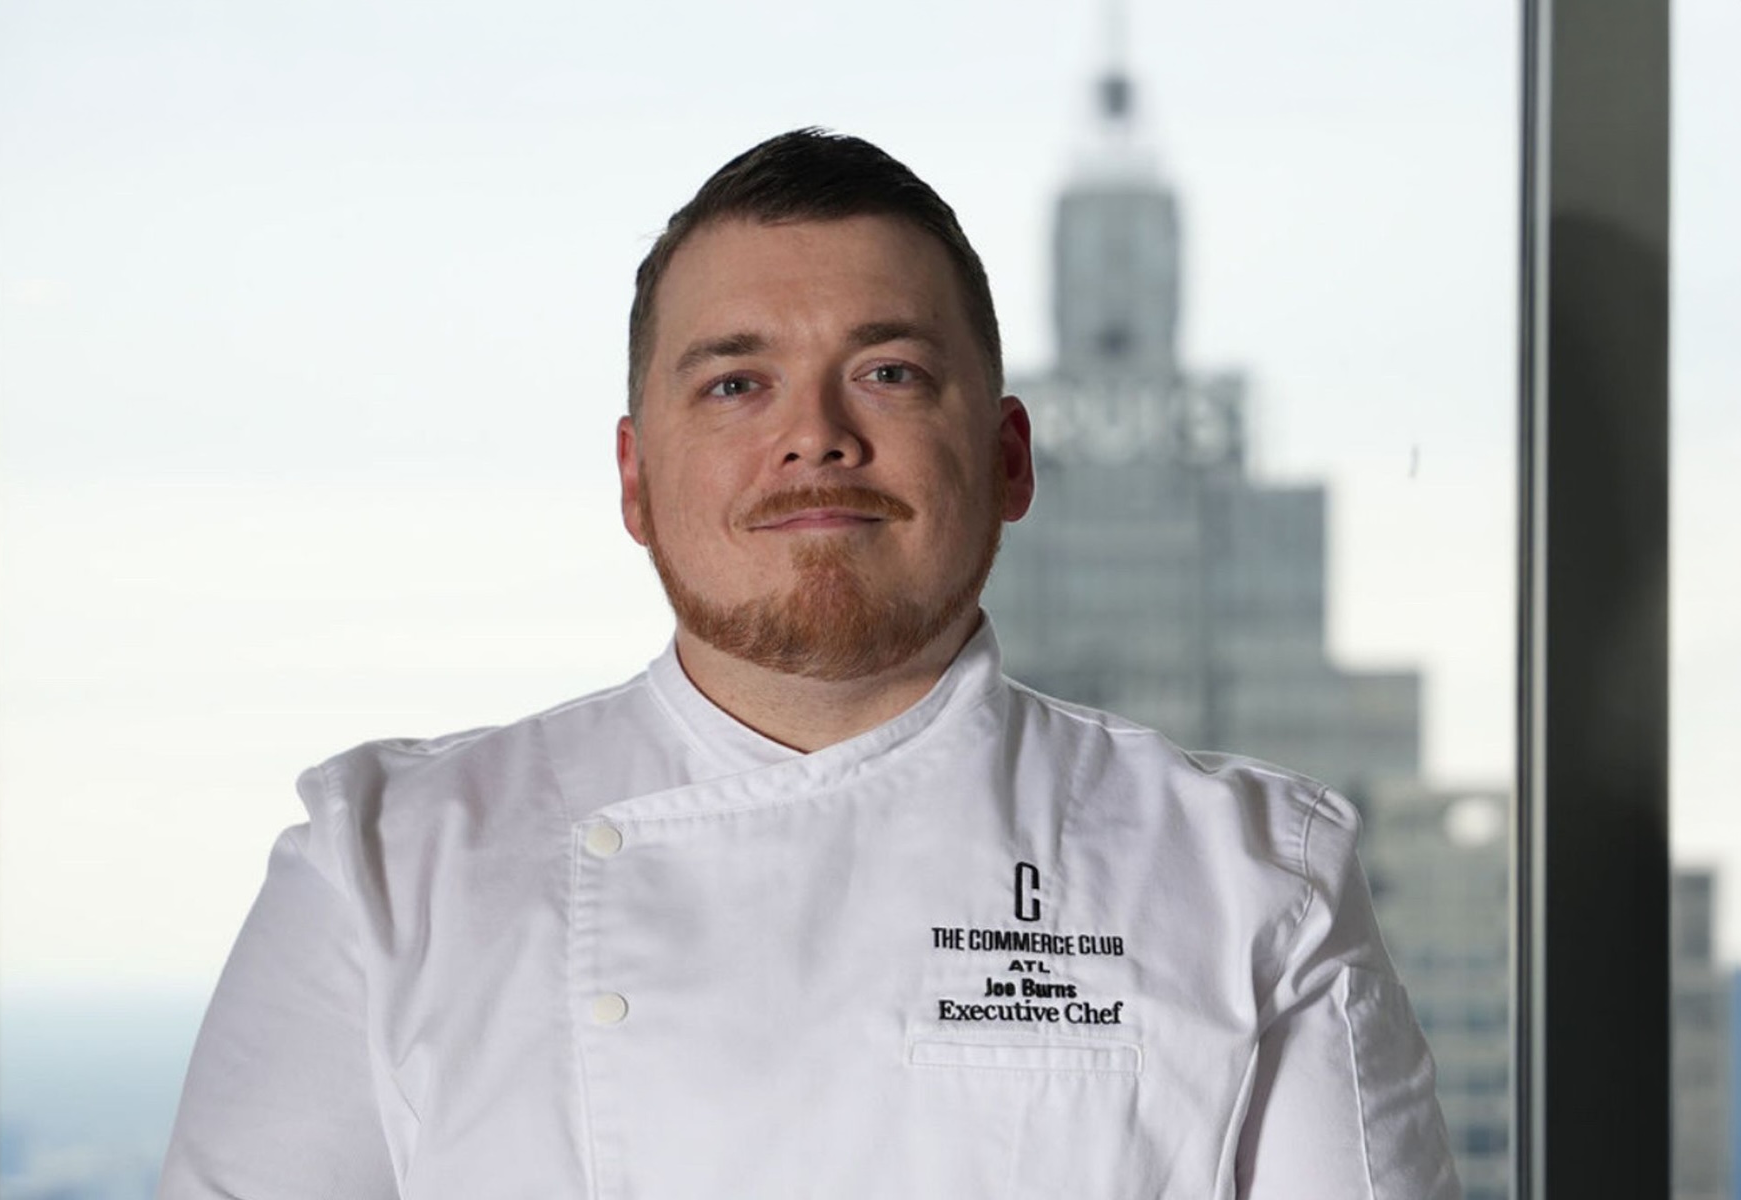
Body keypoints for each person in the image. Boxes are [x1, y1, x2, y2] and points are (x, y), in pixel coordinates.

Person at [159, 128, 1461, 1199]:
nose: (816, 437)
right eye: (736, 385)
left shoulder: (1253, 880)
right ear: (635, 479)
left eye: (888, 373)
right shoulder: (384, 868)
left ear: (1009, 459)